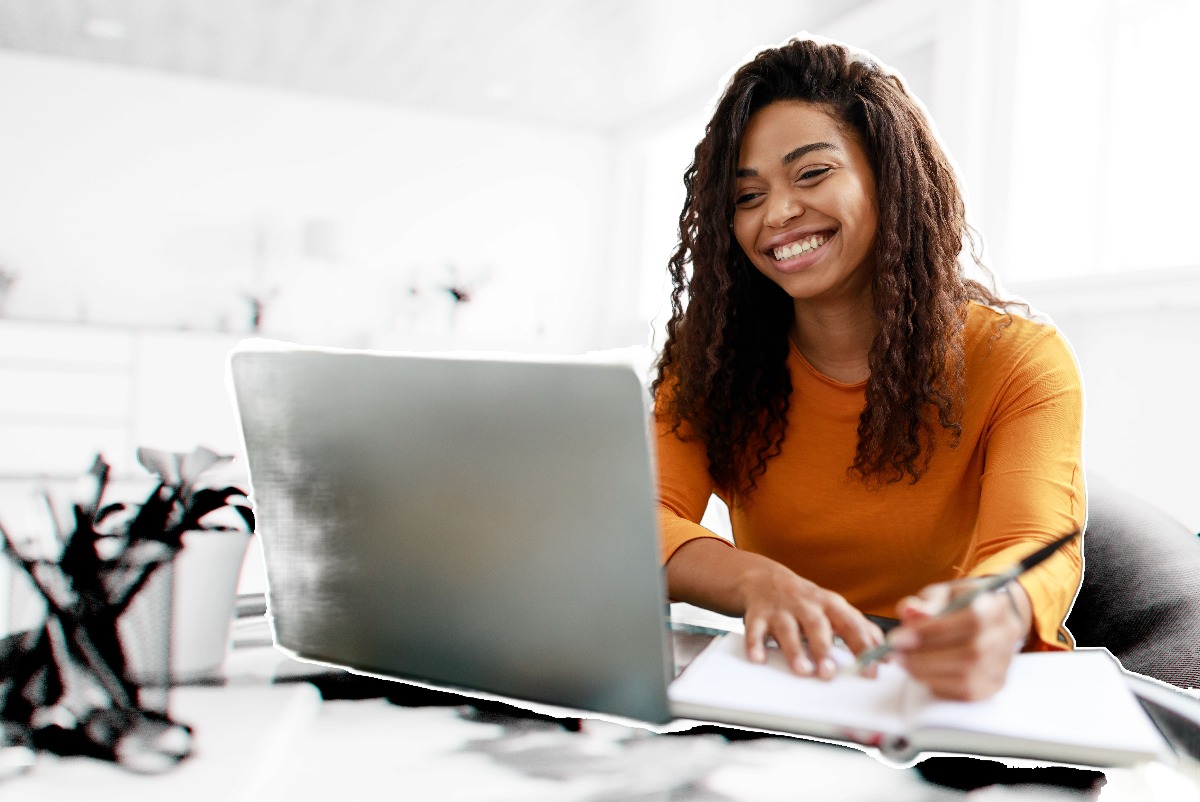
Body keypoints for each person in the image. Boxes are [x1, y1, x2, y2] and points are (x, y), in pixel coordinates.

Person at [652, 36, 1084, 701]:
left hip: (953, 705)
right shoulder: (713, 360)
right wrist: (755, 580)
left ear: (890, 173)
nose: (778, 213)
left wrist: (994, 614)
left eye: (812, 173)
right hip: (792, 693)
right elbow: (642, 517)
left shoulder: (1019, 359)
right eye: (746, 196)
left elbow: (1035, 543)